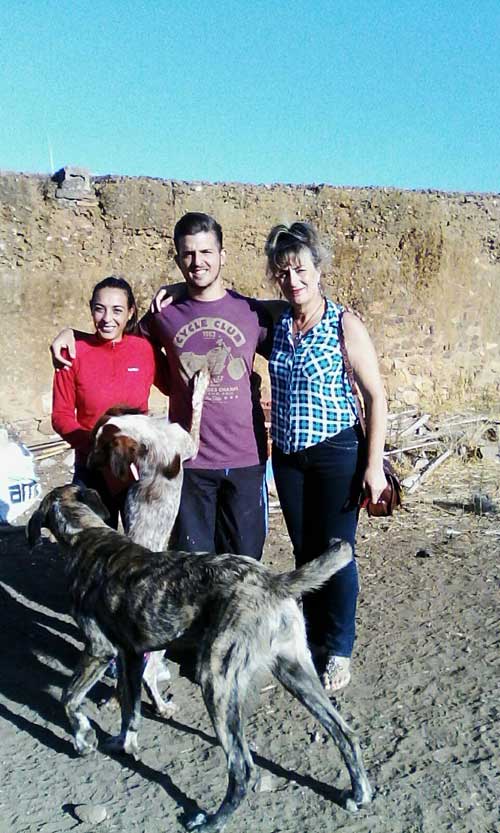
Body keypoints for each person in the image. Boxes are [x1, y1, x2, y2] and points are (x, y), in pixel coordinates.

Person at [51, 214, 277, 559]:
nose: (197, 262)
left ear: (222, 255)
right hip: (187, 461)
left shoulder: (250, 311)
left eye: (206, 252)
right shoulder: (163, 316)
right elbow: (114, 335)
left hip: (246, 459)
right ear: (177, 259)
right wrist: (74, 336)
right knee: (190, 563)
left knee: (245, 561)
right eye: (188, 254)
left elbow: (294, 324)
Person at [265, 222, 388, 693]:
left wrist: (373, 466)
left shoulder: (344, 323)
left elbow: (376, 396)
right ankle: (313, 637)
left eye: (300, 269)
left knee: (337, 553)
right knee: (304, 553)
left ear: (319, 269)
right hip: (290, 457)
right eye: (283, 272)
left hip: (338, 453)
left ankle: (338, 648)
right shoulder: (276, 324)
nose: (293, 280)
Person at [52, 275, 167, 528]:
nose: (107, 319)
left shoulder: (144, 350)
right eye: (99, 309)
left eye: (117, 310)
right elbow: (61, 416)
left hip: (136, 469)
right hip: (91, 468)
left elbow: (173, 386)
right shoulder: (72, 353)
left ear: (130, 313)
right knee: (95, 554)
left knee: (139, 553)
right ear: (91, 308)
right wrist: (98, 448)